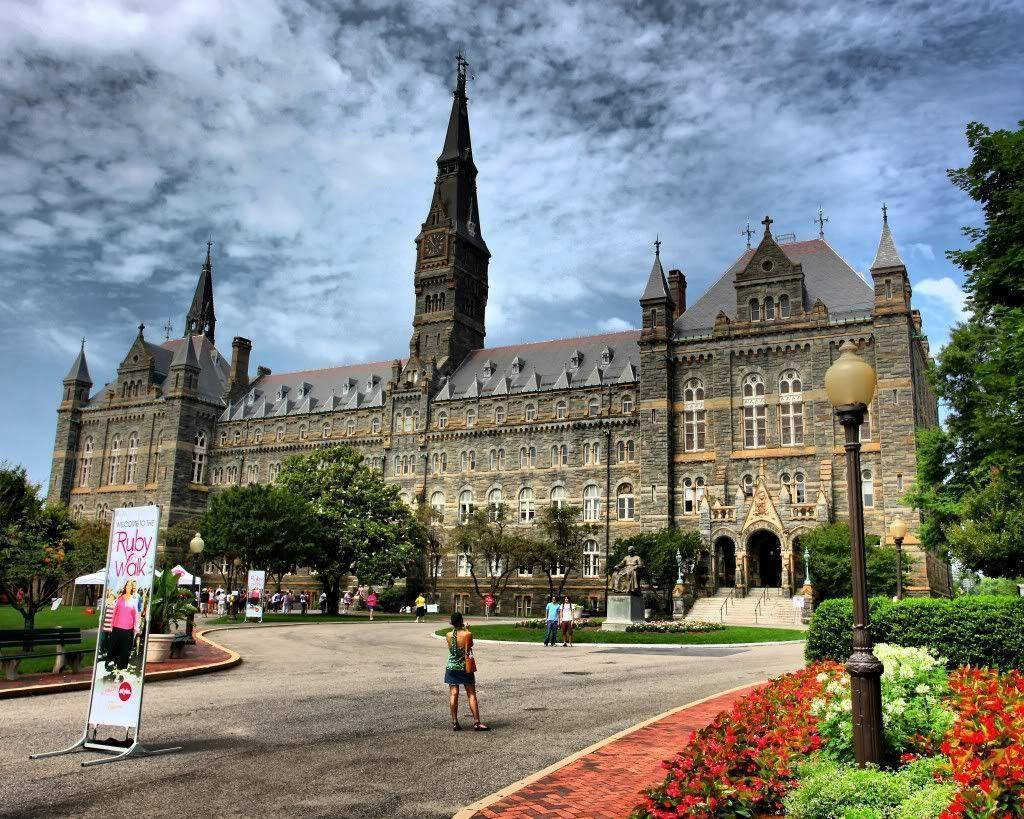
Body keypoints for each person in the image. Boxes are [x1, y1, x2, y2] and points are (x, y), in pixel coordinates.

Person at [444, 612, 488, 731]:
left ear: (452, 623)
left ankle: (454, 721)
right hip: (465, 667)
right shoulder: (467, 634)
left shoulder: (448, 635)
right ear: (462, 621)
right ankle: (477, 722)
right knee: (471, 693)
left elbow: (452, 647)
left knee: (454, 693)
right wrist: (467, 630)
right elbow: (469, 646)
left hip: (451, 667)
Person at [108, 580, 139, 671]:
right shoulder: (119, 598)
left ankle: (122, 668)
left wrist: (136, 628)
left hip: (128, 629)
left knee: (125, 649)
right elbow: (114, 612)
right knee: (114, 647)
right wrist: (111, 626)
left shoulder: (134, 600)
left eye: (131, 586)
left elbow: (136, 615)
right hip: (117, 627)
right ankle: (113, 666)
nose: (129, 587)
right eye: (128, 585)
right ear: (125, 587)